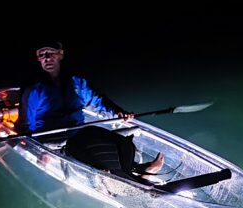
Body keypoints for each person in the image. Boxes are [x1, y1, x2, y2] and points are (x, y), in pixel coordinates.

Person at [16, 40, 164, 183]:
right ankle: (117, 179)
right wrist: (40, 151)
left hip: (80, 132)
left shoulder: (76, 82)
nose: (47, 58)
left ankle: (138, 169)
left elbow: (97, 101)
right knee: (94, 162)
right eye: (42, 55)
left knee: (123, 139)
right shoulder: (33, 88)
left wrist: (117, 112)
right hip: (51, 141)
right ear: (38, 59)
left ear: (61, 54)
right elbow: (24, 126)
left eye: (51, 53)